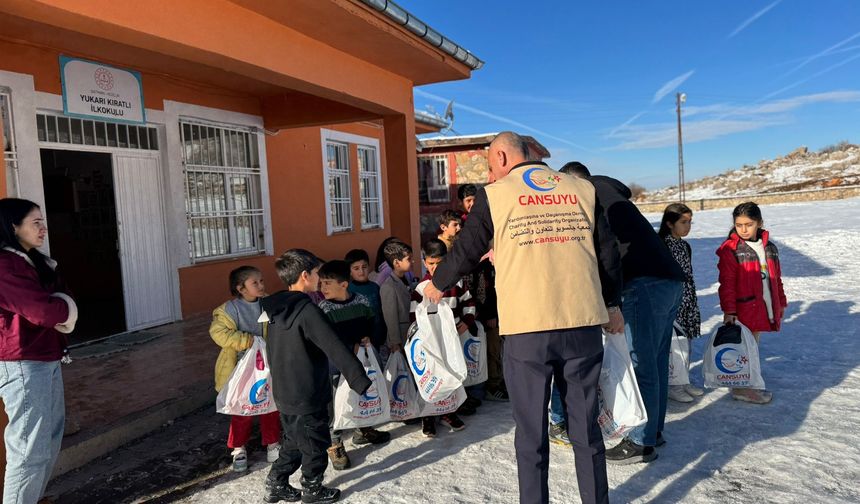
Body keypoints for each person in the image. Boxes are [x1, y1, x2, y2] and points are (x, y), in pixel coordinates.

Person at [425, 132, 624, 504]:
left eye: (490, 166)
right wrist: (612, 305)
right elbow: (606, 252)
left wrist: (438, 284)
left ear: (502, 157)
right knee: (586, 429)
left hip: (528, 330)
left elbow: (466, 250)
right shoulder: (582, 188)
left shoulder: (496, 195)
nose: (490, 175)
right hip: (581, 323)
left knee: (531, 435)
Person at [560, 161, 685, 465]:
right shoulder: (612, 193)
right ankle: (653, 432)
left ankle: (641, 442)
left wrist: (610, 303)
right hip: (669, 281)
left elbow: (607, 255)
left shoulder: (590, 195)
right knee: (656, 361)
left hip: (642, 284)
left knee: (641, 364)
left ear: (573, 181)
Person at [261, 249, 371, 504]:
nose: (320, 278)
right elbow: (334, 346)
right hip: (307, 390)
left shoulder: (275, 309)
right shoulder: (307, 311)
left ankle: (276, 482)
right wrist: (359, 379)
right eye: (317, 273)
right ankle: (312, 489)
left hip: (285, 389)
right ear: (304, 275)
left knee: (294, 440)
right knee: (315, 443)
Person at [0, 198, 78, 504]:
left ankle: (32, 498)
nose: (43, 228)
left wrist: (62, 306)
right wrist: (64, 308)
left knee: (48, 438)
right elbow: (43, 311)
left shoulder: (33, 261)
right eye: (36, 222)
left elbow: (61, 297)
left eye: (42, 221)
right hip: (21, 362)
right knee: (28, 448)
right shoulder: (5, 265)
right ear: (13, 226)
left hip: (45, 356)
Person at [317, 260, 390, 471]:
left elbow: (374, 323)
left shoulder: (361, 301)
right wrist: (352, 345)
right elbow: (328, 339)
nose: (323, 288)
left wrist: (370, 338)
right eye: (321, 283)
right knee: (336, 404)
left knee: (362, 395)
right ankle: (334, 442)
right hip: (336, 366)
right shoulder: (325, 308)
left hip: (363, 361)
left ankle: (363, 429)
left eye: (328, 283)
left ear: (344, 284)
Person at [210, 266, 281, 472]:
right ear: (241, 288)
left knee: (270, 406)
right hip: (240, 369)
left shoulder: (268, 303)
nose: (261, 285)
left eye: (261, 281)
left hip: (266, 366)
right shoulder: (228, 310)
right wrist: (246, 340)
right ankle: (238, 448)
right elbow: (218, 333)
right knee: (242, 409)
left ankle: (273, 444)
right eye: (254, 283)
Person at [717, 202, 786, 404]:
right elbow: (727, 284)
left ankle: (747, 385)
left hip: (764, 306)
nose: (744, 229)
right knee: (745, 349)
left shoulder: (770, 248)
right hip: (743, 308)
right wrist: (729, 310)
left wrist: (780, 302)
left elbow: (776, 279)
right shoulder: (731, 250)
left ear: (759, 223)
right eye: (739, 225)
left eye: (749, 224)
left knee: (752, 347)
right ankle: (742, 388)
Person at [410, 239, 472, 434]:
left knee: (451, 373)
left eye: (440, 263)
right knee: (432, 377)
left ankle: (449, 412)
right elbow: (414, 317)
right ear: (424, 262)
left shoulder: (457, 283)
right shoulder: (421, 288)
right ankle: (428, 416)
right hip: (430, 343)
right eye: (431, 263)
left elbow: (469, 303)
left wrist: (467, 321)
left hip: (451, 341)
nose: (435, 267)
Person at [658, 203, 704, 403]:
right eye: (683, 222)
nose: (688, 226)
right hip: (670, 302)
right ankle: (673, 385)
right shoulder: (662, 245)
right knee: (674, 345)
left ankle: (683, 381)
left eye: (690, 222)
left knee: (686, 343)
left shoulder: (685, 246)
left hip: (688, 300)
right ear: (670, 223)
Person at [378, 240, 413, 357]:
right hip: (401, 339)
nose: (412, 261)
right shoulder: (388, 286)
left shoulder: (407, 278)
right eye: (408, 259)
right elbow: (390, 317)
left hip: (411, 334)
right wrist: (395, 342)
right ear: (397, 263)